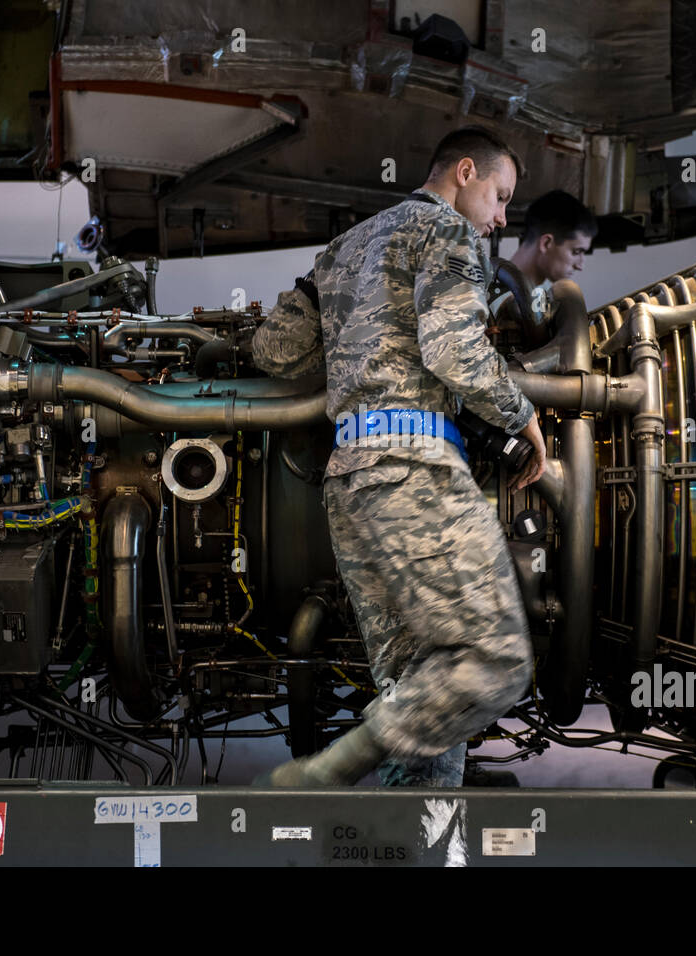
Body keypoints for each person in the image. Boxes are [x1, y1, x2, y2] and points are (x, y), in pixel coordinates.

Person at [250, 125, 546, 788]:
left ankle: (412, 841)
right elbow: (454, 354)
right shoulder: (446, 233)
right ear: (465, 172)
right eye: (500, 196)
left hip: (351, 479)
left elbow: (275, 355)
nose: (501, 218)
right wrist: (522, 418)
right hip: (414, 465)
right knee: (493, 661)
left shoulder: (343, 247)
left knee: (423, 689)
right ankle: (332, 769)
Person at [506, 189, 597, 325]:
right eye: (576, 252)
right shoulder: (486, 298)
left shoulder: (552, 298)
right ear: (546, 243)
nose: (580, 266)